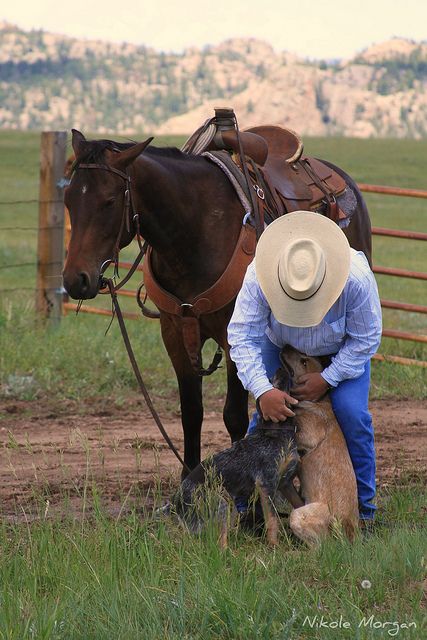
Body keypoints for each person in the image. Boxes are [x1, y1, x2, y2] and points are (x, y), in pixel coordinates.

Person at [227, 211, 382, 524]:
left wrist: (327, 378)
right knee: (267, 418)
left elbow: (366, 339)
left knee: (352, 415)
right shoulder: (260, 274)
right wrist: (263, 389)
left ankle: (363, 511)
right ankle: (249, 506)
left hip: (341, 351)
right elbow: (242, 336)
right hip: (280, 345)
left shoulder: (356, 280)